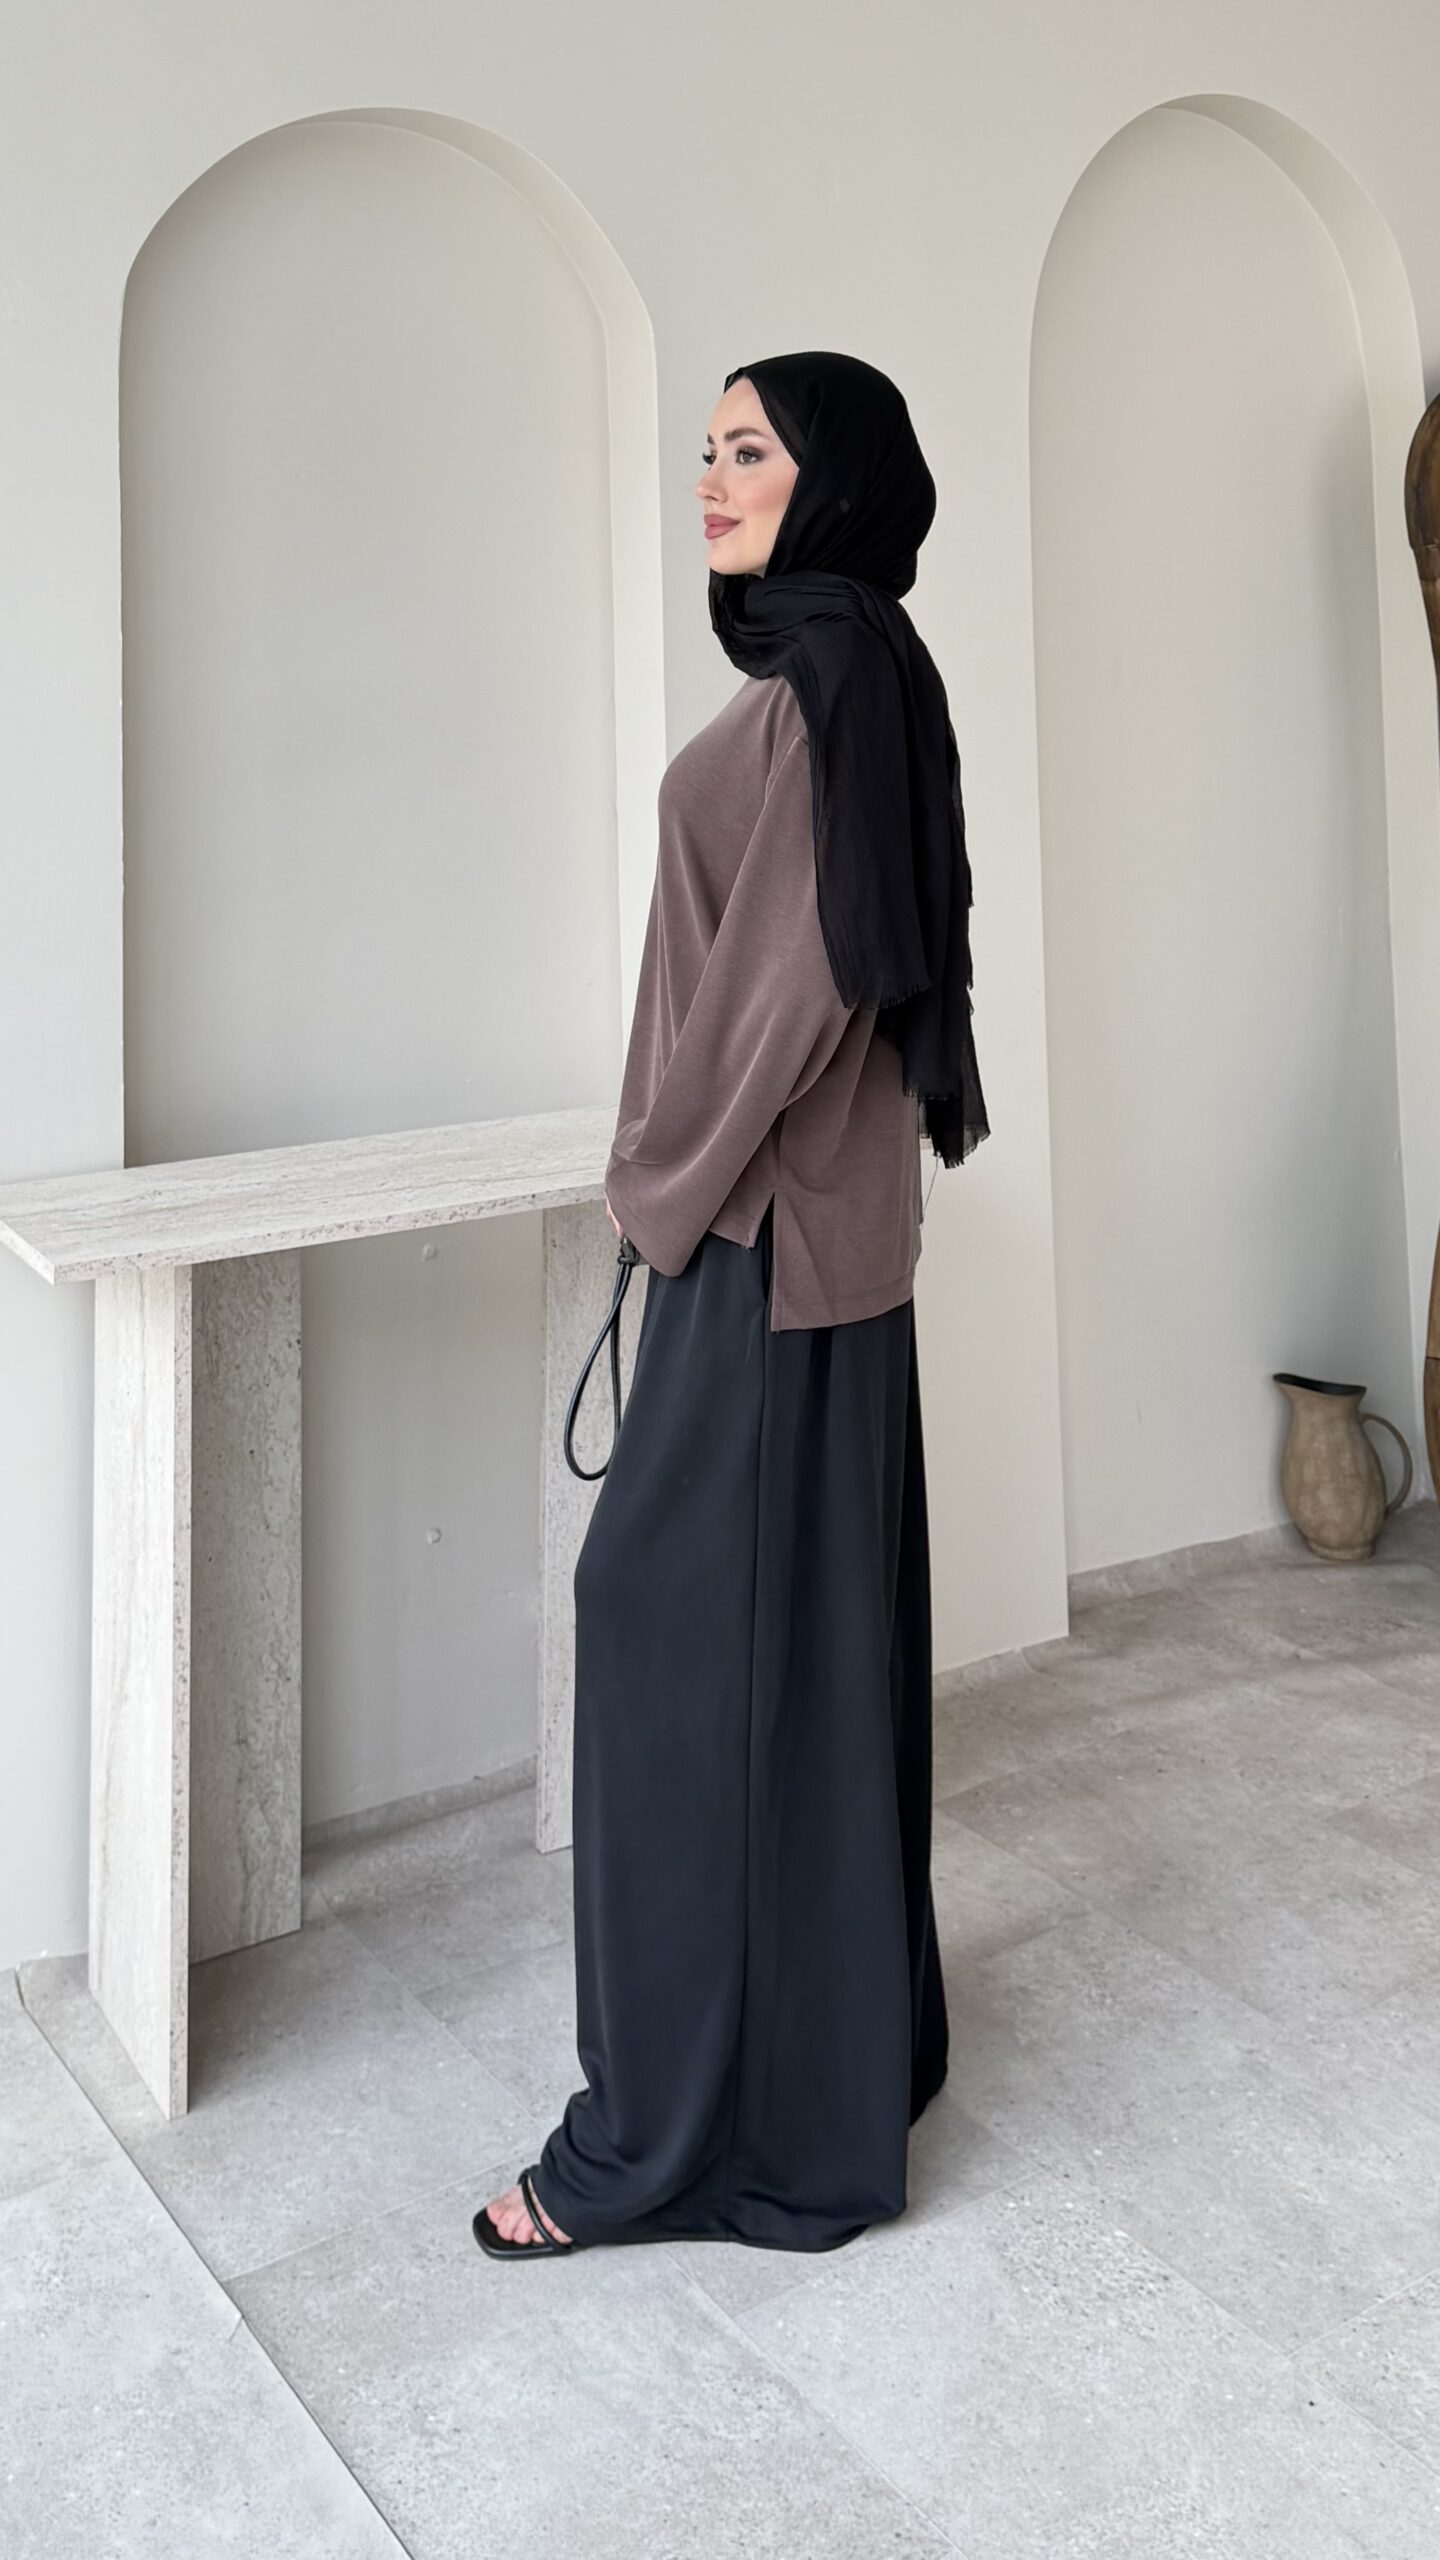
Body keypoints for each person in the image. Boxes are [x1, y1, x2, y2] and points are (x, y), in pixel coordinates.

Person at [475, 350, 989, 2259]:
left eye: (749, 450)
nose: (712, 477)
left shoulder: (829, 677)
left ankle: (656, 2141)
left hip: (761, 1250)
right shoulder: (857, 667)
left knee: (666, 1655)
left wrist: (658, 1188)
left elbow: (799, 990)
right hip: (819, 1253)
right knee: (805, 1676)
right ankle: (835, 2066)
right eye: (704, 449)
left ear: (832, 477)